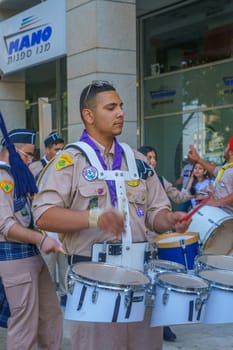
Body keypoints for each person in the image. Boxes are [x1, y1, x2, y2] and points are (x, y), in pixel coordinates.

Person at [32, 80, 190, 350]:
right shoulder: (70, 161)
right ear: (89, 115)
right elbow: (44, 216)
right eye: (111, 107)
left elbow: (156, 214)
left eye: (121, 106)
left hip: (141, 278)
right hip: (93, 282)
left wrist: (169, 220)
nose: (120, 113)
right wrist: (94, 218)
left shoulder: (138, 161)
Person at [0, 115, 63, 349]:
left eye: (31, 156)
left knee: (51, 316)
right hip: (14, 259)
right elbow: (6, 226)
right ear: (10, 150)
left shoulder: (17, 177)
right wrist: (41, 238)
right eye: (26, 155)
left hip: (32, 256)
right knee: (24, 325)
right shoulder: (2, 178)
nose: (29, 161)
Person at [138, 145, 193, 342]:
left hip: (165, 238)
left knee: (164, 281)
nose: (152, 161)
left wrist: (193, 187)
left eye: (154, 157)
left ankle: (164, 324)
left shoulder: (160, 180)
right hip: (147, 241)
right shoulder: (135, 182)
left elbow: (179, 197)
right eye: (148, 157)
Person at [30, 131, 68, 307]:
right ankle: (49, 296)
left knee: (64, 261)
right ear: (47, 149)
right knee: (48, 263)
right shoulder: (36, 167)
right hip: (45, 222)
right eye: (56, 149)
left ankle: (66, 293)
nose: (60, 152)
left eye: (62, 148)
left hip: (62, 220)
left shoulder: (66, 165)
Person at [188, 137, 233, 214]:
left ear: (231, 152)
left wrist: (217, 202)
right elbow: (215, 170)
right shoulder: (227, 167)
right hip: (220, 214)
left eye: (226, 147)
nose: (224, 149)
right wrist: (198, 159)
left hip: (228, 217)